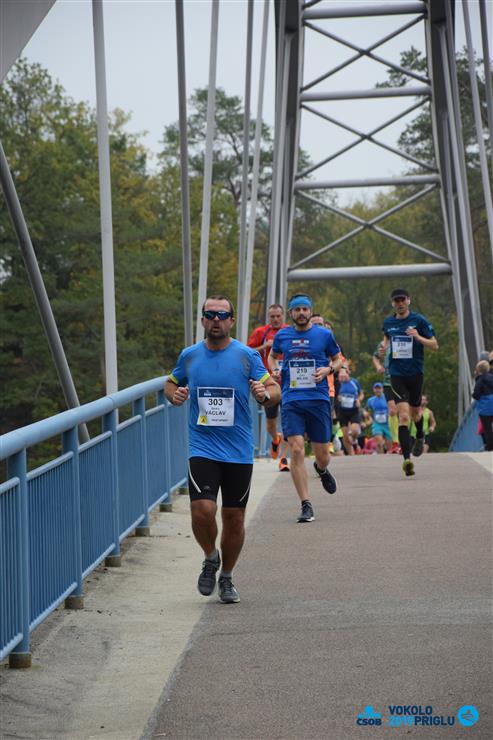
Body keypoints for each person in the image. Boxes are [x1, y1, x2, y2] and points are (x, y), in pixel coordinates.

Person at [165, 295, 280, 603]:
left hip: (238, 450)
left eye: (222, 315)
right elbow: (170, 382)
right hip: (202, 446)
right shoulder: (190, 356)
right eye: (210, 314)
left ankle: (226, 576)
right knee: (202, 510)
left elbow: (275, 390)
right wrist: (174, 395)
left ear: (232, 320)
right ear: (203, 319)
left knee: (234, 518)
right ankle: (209, 556)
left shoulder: (246, 356)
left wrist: (263, 394)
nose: (216, 320)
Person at [268, 294, 344, 523]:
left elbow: (338, 359)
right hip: (292, 399)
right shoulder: (283, 335)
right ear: (291, 313)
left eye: (304, 309)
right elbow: (272, 357)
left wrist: (328, 370)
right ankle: (306, 504)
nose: (301, 313)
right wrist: (275, 369)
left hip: (318, 399)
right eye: (297, 309)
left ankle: (321, 469)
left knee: (323, 455)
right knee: (297, 449)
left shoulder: (324, 335)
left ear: (310, 311)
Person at [382, 288, 438, 477]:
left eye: (402, 300)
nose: (400, 303)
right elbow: (386, 341)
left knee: (415, 414)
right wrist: (383, 348)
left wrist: (418, 337)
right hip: (396, 375)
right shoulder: (388, 323)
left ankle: (420, 435)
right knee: (404, 416)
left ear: (408, 301)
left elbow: (435, 345)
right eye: (396, 301)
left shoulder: (419, 320)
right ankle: (407, 460)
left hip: (415, 374)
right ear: (392, 303)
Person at [247, 304, 290, 471]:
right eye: (272, 316)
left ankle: (284, 459)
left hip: (288, 384)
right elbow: (248, 352)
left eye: (278, 316)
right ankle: (275, 439)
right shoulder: (261, 332)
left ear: (283, 316)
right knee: (271, 423)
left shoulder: (289, 332)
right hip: (269, 383)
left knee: (288, 421)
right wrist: (264, 346)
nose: (276, 319)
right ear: (268, 317)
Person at [372, 341, 399, 451]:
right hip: (388, 381)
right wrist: (378, 366)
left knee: (405, 414)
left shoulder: (407, 339)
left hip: (404, 380)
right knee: (392, 411)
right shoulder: (384, 343)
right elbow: (375, 356)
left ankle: (405, 438)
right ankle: (396, 443)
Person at [335, 367, 364, 455]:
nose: (342, 378)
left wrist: (359, 400)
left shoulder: (354, 382)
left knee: (355, 431)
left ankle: (354, 440)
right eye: (340, 376)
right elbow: (333, 395)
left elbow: (361, 394)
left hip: (353, 410)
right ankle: (351, 454)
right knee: (345, 435)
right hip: (342, 411)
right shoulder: (337, 384)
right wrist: (338, 399)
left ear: (348, 374)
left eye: (344, 376)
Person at [366, 382, 393, 454]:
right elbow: (367, 410)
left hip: (387, 424)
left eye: (379, 388)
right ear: (373, 390)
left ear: (382, 389)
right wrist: (368, 417)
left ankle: (388, 456)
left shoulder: (387, 398)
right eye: (376, 388)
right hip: (377, 424)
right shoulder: (370, 400)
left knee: (389, 446)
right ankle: (381, 458)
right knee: (378, 443)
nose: (377, 390)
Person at [472, 360, 493, 451]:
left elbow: (476, 395)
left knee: (487, 428)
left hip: (485, 408)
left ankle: (490, 446)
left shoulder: (479, 380)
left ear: (478, 370)